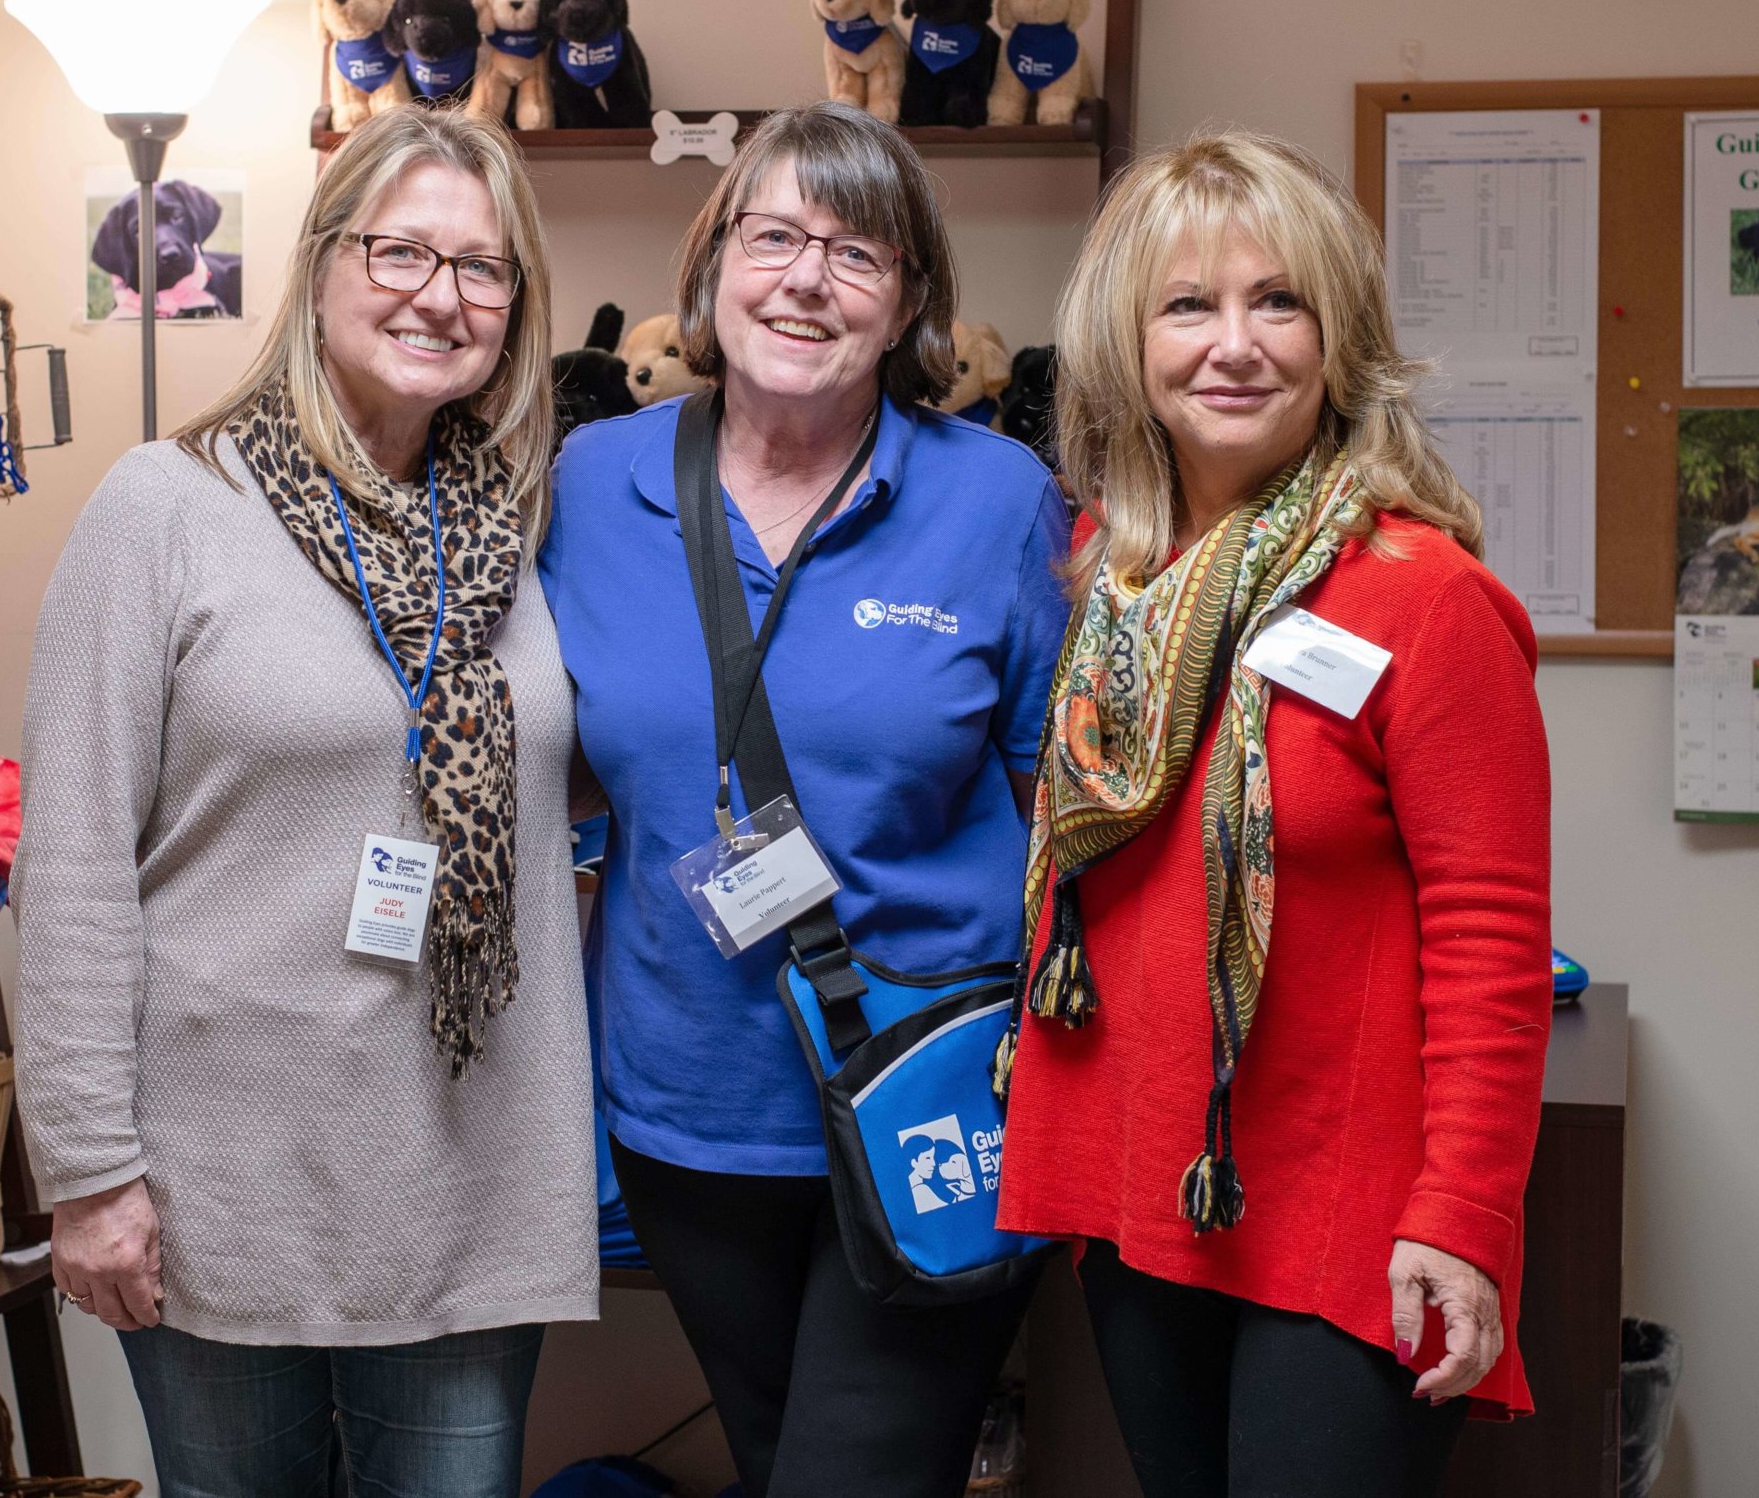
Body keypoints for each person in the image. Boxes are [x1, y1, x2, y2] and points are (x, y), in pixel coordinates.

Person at [14, 106, 594, 1498]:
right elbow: (74, 855)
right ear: (322, 260)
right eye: (403, 250)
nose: (439, 295)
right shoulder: (165, 506)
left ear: (516, 310)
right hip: (226, 1182)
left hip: (470, 1173)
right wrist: (89, 1170)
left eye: (482, 269)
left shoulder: (524, 525)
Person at [992, 129, 1552, 1498]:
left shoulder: (1420, 596)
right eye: (1189, 305)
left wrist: (1467, 1214)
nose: (1232, 344)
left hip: (1349, 1211)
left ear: (1337, 336)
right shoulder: (1111, 581)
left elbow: (1494, 937)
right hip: (1148, 1195)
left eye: (1276, 301)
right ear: (1132, 343)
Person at [539, 101, 1071, 1498]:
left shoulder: (996, 498)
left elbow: (1064, 813)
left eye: (858, 252)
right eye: (773, 235)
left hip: (931, 1090)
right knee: (786, 1464)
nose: (806, 278)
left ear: (909, 305)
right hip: (685, 1111)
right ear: (712, 265)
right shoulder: (591, 484)